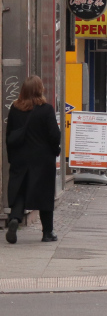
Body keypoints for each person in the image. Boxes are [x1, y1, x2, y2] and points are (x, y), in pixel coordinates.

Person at [5, 76, 62, 243]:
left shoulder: (15, 109)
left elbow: (9, 135)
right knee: (44, 193)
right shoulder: (46, 109)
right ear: (39, 89)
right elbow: (54, 135)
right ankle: (47, 232)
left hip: (20, 158)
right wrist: (55, 150)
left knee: (20, 190)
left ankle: (15, 218)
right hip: (42, 159)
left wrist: (12, 158)